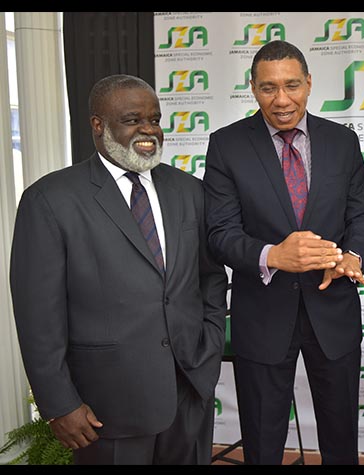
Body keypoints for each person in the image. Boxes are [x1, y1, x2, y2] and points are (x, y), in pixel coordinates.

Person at [9, 74, 229, 465]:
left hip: (188, 396)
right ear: (98, 125)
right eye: (132, 119)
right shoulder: (49, 200)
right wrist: (60, 404)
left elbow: (210, 278)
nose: (148, 130)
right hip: (105, 408)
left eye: (155, 119)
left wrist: (208, 349)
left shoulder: (189, 190)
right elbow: (37, 314)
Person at [202, 40, 364, 465]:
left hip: (332, 314)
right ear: (252, 88)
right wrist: (272, 256)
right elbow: (219, 233)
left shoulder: (342, 142)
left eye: (292, 85)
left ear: (310, 83)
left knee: (341, 442)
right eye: (268, 88)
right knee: (262, 443)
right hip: (261, 316)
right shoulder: (227, 145)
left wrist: (353, 256)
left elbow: (362, 217)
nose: (282, 100)